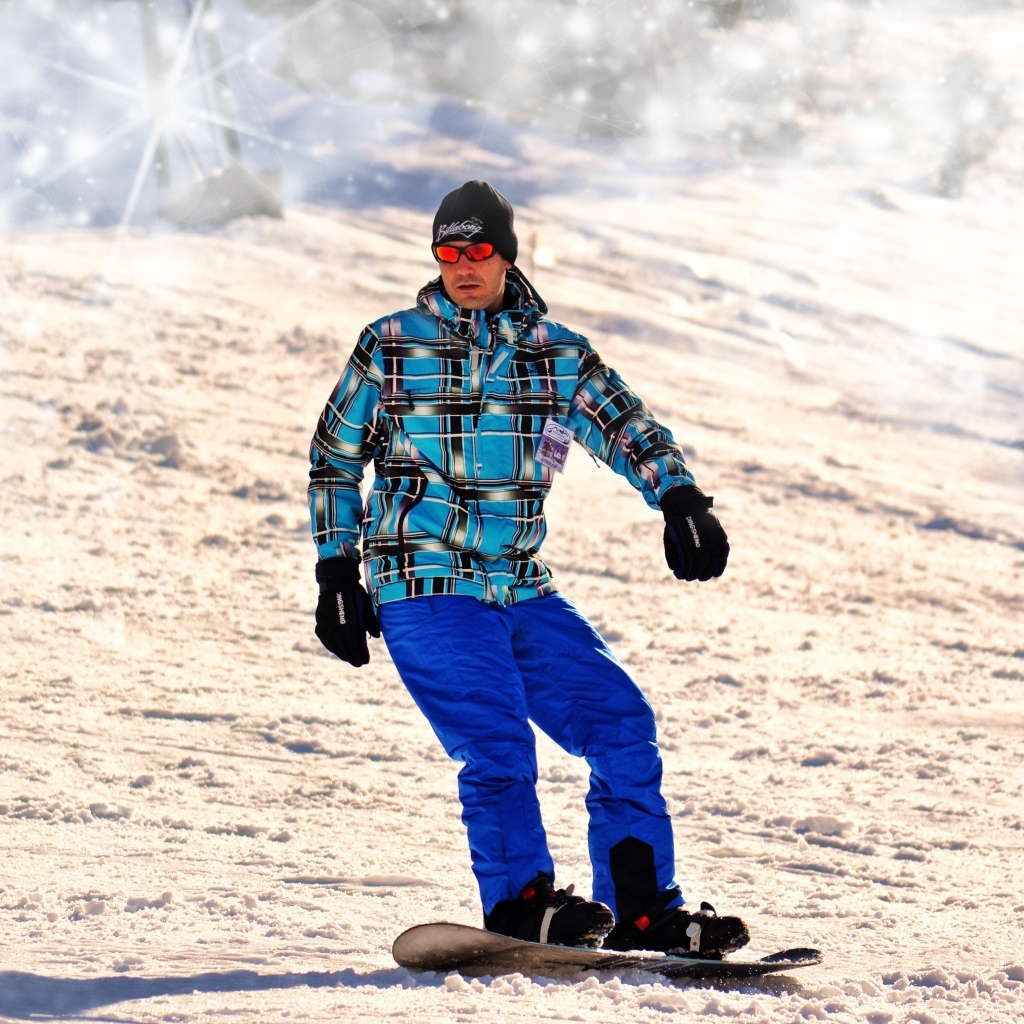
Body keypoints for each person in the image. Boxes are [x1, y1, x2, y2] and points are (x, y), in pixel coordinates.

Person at [308, 180, 749, 957]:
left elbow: (626, 424)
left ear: (508, 256)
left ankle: (640, 907)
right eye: (449, 250)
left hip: (519, 583)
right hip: (425, 580)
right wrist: (337, 573)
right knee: (498, 743)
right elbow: (336, 460)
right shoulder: (391, 343)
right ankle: (519, 905)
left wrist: (679, 496)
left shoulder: (558, 355)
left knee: (620, 726)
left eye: (479, 249)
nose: (463, 264)